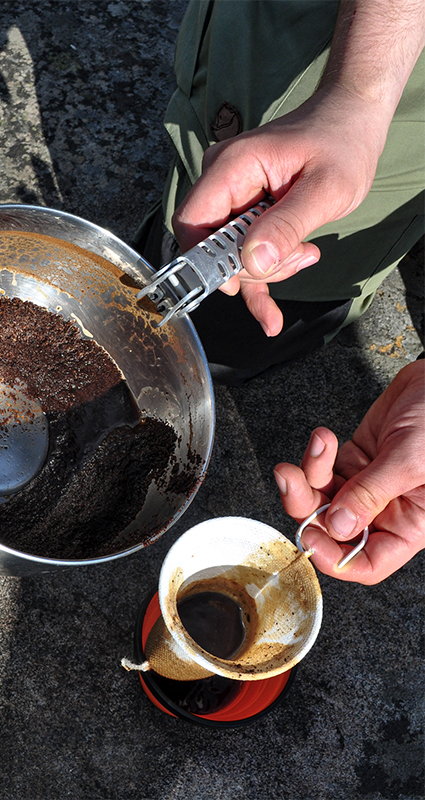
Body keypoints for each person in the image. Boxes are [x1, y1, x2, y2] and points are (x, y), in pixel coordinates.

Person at [143, 0, 425, 584]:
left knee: (245, 325)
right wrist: (358, 97)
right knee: (203, 220)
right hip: (263, 40)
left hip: (393, 160)